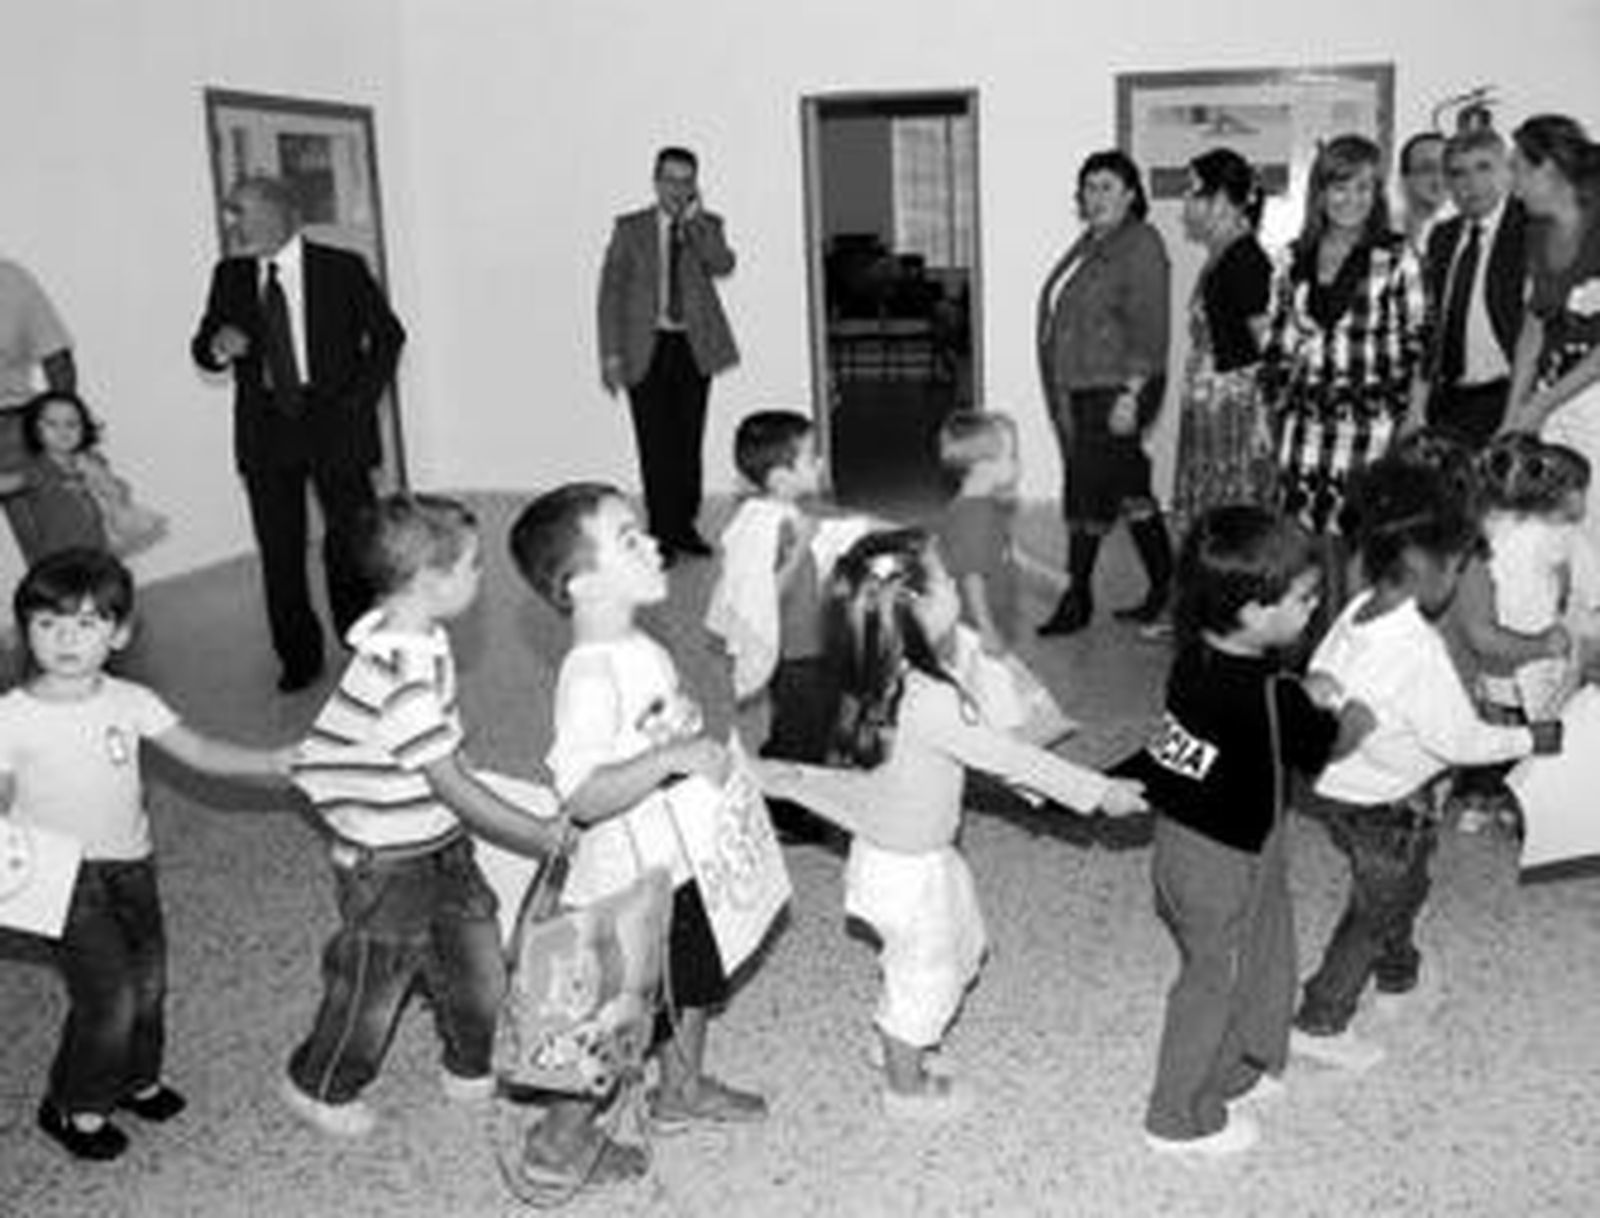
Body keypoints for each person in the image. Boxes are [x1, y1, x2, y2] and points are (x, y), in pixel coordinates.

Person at [759, 528, 1147, 1120]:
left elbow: (975, 752)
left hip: (907, 858)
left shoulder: (875, 675)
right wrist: (1098, 792)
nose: (956, 583)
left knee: (956, 949)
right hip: (909, 869)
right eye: (943, 577)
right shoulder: (926, 697)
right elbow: (1008, 758)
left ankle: (899, 1041)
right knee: (927, 975)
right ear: (913, 607)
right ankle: (904, 1085)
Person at [508, 483, 765, 1188]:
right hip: (626, 886)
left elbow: (659, 729)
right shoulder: (589, 674)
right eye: (628, 538)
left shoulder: (637, 644)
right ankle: (557, 1145)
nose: (652, 544)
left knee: (694, 982)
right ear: (581, 583)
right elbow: (582, 793)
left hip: (673, 863)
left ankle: (681, 1088)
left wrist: (689, 750)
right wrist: (672, 758)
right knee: (614, 1023)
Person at [284, 494, 567, 1138]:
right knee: (374, 980)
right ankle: (319, 1083)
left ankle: (470, 1062)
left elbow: (444, 758)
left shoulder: (415, 637)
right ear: (431, 581)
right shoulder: (401, 672)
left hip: (438, 840)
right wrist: (542, 835)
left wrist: (466, 776)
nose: (478, 579)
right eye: (471, 567)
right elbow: (452, 786)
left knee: (476, 960)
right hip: (385, 860)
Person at [0, 549, 292, 1161]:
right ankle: (73, 1104)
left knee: (149, 981)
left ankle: (135, 1078)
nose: (66, 639)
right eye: (48, 624)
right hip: (59, 878)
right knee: (109, 995)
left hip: (130, 865)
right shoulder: (11, 719)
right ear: (23, 628)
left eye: (86, 623)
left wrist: (271, 762)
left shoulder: (130, 700)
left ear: (120, 631)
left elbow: (202, 752)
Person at [1289, 458, 1562, 1071]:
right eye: (1458, 564)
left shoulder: (1356, 608)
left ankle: (1400, 976)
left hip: (1338, 792)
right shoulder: (1418, 650)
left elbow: (1322, 682)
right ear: (1420, 566)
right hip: (1389, 804)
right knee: (1379, 904)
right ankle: (1322, 1019)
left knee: (1398, 887)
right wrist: (1531, 737)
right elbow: (1461, 744)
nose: (1461, 573)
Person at [1118, 506, 1367, 1158]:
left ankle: (1232, 1073)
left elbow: (1260, 708)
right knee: (1214, 982)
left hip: (1188, 845)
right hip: (1222, 864)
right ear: (1255, 612)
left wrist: (1296, 688)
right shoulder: (1272, 697)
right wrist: (1349, 709)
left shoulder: (1195, 658)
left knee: (1252, 959)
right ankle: (1176, 1117)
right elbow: (1324, 742)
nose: (1313, 608)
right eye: (1304, 598)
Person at [191, 175, 406, 694]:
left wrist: (358, 403)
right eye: (232, 214)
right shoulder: (231, 276)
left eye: (241, 211)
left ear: (278, 212)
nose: (234, 224)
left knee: (349, 541)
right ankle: (298, 656)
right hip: (265, 426)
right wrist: (218, 347)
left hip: (334, 420)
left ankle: (358, 640)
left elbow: (388, 337)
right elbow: (203, 346)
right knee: (279, 547)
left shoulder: (341, 268)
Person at [1261, 134, 1427, 629]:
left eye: (1363, 188)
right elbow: (1277, 342)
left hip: (1372, 423)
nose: (1350, 200)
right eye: (1339, 187)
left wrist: (1413, 417)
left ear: (1377, 194)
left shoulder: (1397, 257)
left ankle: (1354, 652)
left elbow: (1421, 344)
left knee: (1363, 545)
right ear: (1320, 193)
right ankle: (1311, 646)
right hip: (1304, 422)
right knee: (1308, 545)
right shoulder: (1293, 259)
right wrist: (1266, 413)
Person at [1036, 150, 1174, 635]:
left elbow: (1151, 327)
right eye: (1088, 188)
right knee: (1130, 488)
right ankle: (1167, 589)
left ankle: (1078, 599)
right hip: (1087, 386)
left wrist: (1131, 394)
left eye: (1106, 187)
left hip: (1116, 388)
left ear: (1132, 193)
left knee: (1086, 492)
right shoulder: (1096, 243)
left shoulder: (1140, 244)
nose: (1094, 197)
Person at [598, 146, 738, 565]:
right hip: (646, 347)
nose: (678, 188)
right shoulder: (630, 228)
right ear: (656, 182)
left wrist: (695, 223)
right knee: (655, 443)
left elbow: (723, 263)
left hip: (693, 347)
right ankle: (661, 532)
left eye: (686, 180)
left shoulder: (707, 225)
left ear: (695, 185)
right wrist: (610, 354)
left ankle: (684, 525)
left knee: (688, 440)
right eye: (670, 179)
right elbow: (610, 294)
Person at [704, 409, 835, 844]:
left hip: (804, 643)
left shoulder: (780, 514)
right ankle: (790, 813)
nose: (819, 463)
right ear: (781, 477)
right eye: (810, 457)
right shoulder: (772, 525)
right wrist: (800, 548)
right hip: (796, 650)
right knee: (807, 727)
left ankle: (774, 760)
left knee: (800, 720)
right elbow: (764, 594)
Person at [1502, 116, 1600, 553]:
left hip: (1589, 392)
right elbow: (1533, 327)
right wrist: (1515, 412)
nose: (1513, 184)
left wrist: (1541, 404)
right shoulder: (1535, 231)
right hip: (1553, 396)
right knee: (1555, 533)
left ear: (1550, 169)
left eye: (1518, 169)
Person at [1170, 149, 1276, 535]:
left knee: (1233, 524)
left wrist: (1265, 419)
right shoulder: (1221, 255)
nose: (1185, 201)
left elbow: (1267, 348)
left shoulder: (1245, 260)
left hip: (1234, 411)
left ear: (1219, 201)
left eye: (1192, 191)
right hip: (1211, 405)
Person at [1416, 127, 1530, 448]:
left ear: (1506, 170)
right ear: (1448, 183)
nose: (1472, 183)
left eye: (1484, 167)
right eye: (1458, 173)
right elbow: (1430, 323)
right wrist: (1417, 407)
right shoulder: (1441, 237)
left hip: (1512, 396)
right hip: (1449, 400)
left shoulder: (1531, 228)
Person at [0, 390, 166, 564]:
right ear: (35, 429)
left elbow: (117, 492)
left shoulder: (90, 461)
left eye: (72, 424)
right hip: (61, 557)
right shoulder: (38, 469)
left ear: (84, 428)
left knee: (110, 585)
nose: (62, 430)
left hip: (98, 549)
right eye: (52, 424)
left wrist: (109, 484)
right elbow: (8, 483)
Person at [0, 257, 76, 550]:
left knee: (49, 545)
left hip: (12, 430)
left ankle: (77, 593)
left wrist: (64, 437)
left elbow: (56, 357)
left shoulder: (10, 279)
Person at [1397, 131, 1451, 256]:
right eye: (1427, 169)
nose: (1439, 179)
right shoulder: (1384, 230)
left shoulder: (1464, 235)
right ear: (1404, 179)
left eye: (1446, 169)